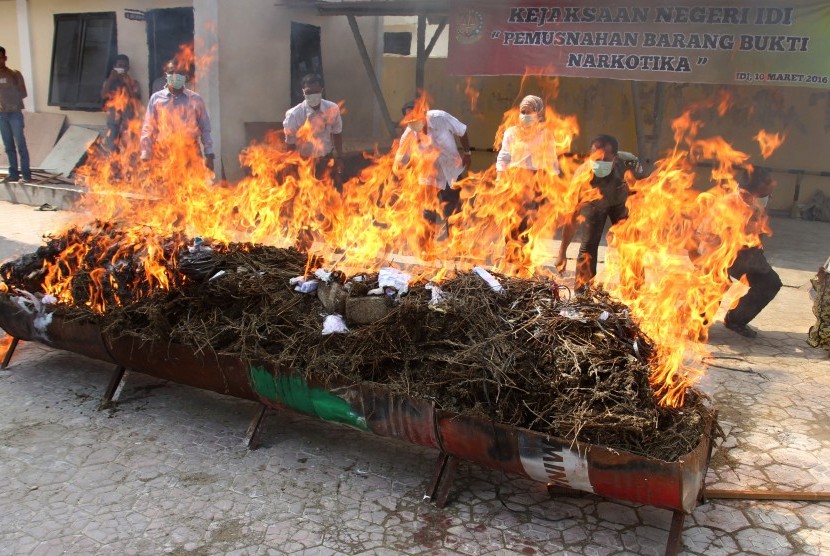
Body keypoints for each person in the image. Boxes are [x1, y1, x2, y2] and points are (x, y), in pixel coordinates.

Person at [694, 167, 782, 338]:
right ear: (744, 193)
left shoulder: (756, 205)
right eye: (764, 195)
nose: (768, 198)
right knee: (716, 281)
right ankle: (698, 324)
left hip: (746, 254)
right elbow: (707, 240)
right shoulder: (725, 207)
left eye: (769, 194)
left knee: (770, 282)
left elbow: (759, 233)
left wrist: (756, 253)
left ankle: (736, 319)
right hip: (716, 255)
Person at [571, 134, 648, 291]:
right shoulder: (581, 175)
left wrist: (639, 214)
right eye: (596, 158)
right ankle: (582, 293)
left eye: (605, 159)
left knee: (630, 244)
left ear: (615, 158)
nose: (600, 162)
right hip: (594, 204)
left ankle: (633, 291)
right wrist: (562, 251)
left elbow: (643, 189)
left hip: (622, 201)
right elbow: (570, 215)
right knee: (589, 245)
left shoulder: (630, 163)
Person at [495, 94, 561, 246]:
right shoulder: (511, 132)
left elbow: (551, 160)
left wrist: (554, 185)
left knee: (530, 220)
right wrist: (499, 179)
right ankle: (511, 257)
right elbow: (503, 156)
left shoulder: (546, 134)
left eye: (529, 112)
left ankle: (525, 258)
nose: (525, 115)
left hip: (536, 180)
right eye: (523, 112)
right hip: (514, 179)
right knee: (512, 218)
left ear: (538, 113)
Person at [395, 100, 471, 229]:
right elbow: (399, 161)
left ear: (423, 113)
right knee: (427, 213)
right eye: (409, 119)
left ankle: (456, 246)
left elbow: (462, 131)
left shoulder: (440, 117)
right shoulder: (408, 134)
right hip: (428, 176)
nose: (413, 121)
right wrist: (406, 176)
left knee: (453, 212)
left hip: (450, 171)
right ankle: (427, 247)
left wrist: (467, 153)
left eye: (415, 117)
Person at [140, 61, 214, 172]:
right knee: (165, 186)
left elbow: (205, 129)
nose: (176, 76)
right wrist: (146, 153)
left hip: (190, 151)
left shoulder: (195, 99)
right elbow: (148, 127)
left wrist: (209, 154)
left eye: (180, 73)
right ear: (166, 76)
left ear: (186, 77)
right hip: (164, 151)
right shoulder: (156, 99)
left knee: (192, 186)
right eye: (172, 72)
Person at [282, 73, 344, 187]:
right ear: (303, 92)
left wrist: (339, 157)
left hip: (327, 159)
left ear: (322, 90)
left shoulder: (332, 109)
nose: (312, 95)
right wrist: (290, 167)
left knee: (332, 195)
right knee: (307, 198)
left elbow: (337, 133)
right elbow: (290, 145)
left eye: (316, 92)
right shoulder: (294, 115)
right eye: (308, 92)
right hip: (304, 163)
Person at [0, 46, 31, 184]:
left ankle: (26, 175)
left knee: (21, 145)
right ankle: (13, 174)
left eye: (0, 58)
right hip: (1, 116)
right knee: (8, 146)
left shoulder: (14, 74)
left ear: (5, 58)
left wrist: (11, 101)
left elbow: (23, 93)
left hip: (15, 114)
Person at [100, 54, 142, 155]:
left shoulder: (134, 83)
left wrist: (127, 83)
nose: (122, 68)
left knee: (128, 149)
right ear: (114, 66)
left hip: (128, 121)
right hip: (113, 121)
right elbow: (103, 95)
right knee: (110, 148)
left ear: (128, 68)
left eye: (124, 66)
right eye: (120, 65)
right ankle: (112, 168)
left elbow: (135, 100)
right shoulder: (109, 81)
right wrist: (111, 79)